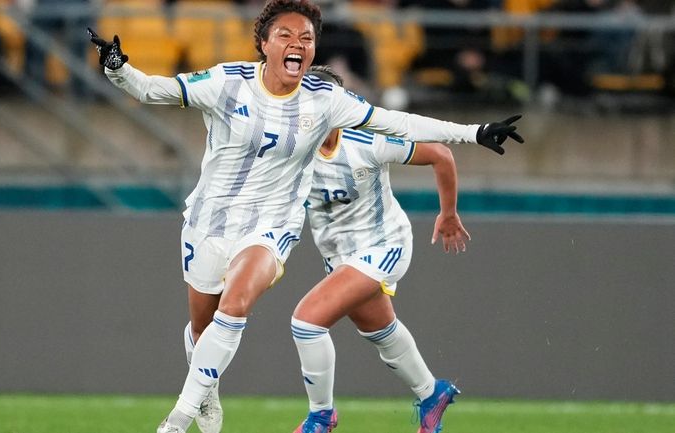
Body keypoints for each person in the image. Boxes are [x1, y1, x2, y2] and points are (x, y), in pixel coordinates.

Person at [88, 1, 523, 431]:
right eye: (286, 36)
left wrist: (473, 134)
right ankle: (429, 392)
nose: (297, 44)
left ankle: (203, 420)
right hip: (224, 226)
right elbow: (151, 90)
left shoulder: (342, 115)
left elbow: (403, 126)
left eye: (307, 38)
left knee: (275, 312)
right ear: (263, 43)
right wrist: (118, 69)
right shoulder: (237, 92)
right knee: (217, 331)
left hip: (321, 235)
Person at [290, 65, 502, 433]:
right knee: (379, 329)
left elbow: (440, 155)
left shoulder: (367, 138)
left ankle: (321, 416)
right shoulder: (290, 147)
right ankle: (431, 393)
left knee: (306, 322)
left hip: (383, 244)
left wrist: (448, 214)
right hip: (339, 256)